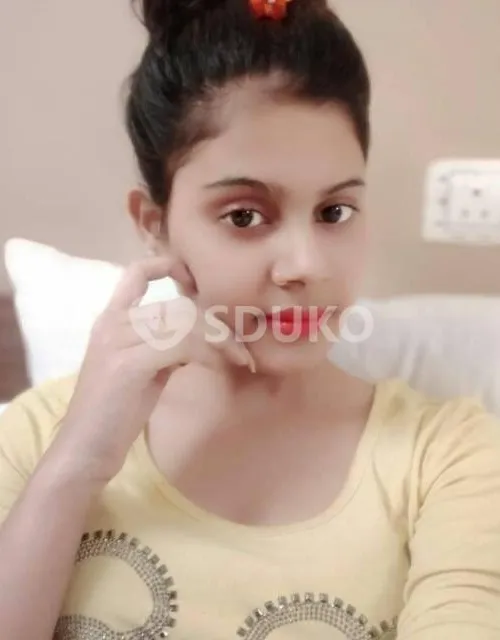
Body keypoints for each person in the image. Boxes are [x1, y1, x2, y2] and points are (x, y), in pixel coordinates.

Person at [1, 0, 500, 638]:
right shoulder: (38, 436)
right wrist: (78, 463)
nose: (307, 264)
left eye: (334, 212)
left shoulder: (450, 460)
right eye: (244, 215)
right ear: (155, 225)